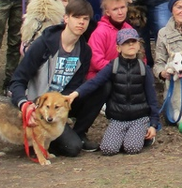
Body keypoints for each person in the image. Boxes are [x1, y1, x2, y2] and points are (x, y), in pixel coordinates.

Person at [7, 0, 95, 158]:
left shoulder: (85, 51)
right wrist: (24, 104)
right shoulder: (43, 44)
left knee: (100, 87)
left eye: (85, 19)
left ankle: (78, 133)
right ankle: (37, 138)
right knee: (72, 148)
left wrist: (64, 104)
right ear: (66, 18)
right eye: (76, 17)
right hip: (38, 105)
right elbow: (18, 79)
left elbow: (75, 85)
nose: (81, 22)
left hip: (60, 104)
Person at [69, 26, 160, 155]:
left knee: (131, 148)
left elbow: (152, 97)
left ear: (139, 45)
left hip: (139, 118)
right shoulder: (113, 66)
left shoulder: (144, 68)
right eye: (126, 42)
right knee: (108, 149)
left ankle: (141, 135)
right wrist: (76, 93)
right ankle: (129, 137)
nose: (130, 45)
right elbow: (95, 82)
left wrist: (153, 124)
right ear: (118, 48)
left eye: (133, 41)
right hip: (118, 118)